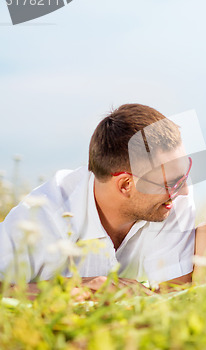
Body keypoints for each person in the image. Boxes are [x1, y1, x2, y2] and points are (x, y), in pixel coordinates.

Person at [0, 104, 195, 297]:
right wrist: (71, 288)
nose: (185, 190)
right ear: (125, 184)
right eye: (171, 182)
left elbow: (174, 298)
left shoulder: (173, 202)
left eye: (184, 172)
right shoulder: (42, 214)